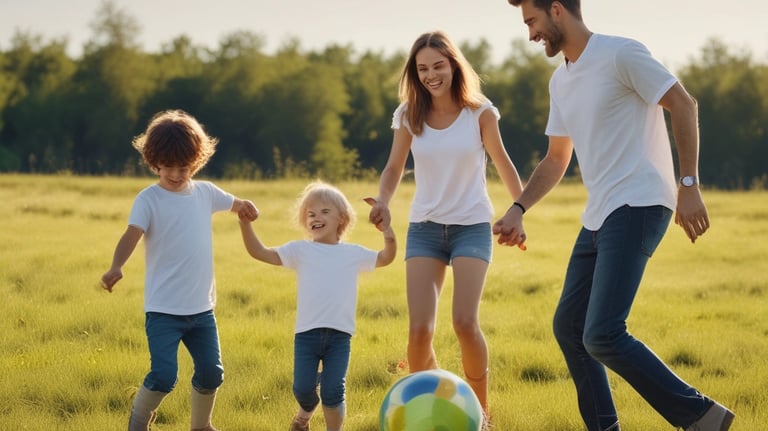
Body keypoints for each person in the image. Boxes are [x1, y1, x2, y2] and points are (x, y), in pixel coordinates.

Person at [495, 1, 734, 430]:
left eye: (531, 21)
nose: (530, 33)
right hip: (599, 214)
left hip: (640, 202)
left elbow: (684, 104)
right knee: (570, 327)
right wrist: (518, 208)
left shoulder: (620, 53)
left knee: (602, 333)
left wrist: (689, 185)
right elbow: (555, 159)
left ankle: (702, 418)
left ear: (556, 10)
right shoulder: (560, 81)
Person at [367, 30, 525, 425]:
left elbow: (502, 163)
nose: (431, 75)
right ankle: (422, 411)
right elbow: (393, 167)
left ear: (454, 65)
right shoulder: (409, 114)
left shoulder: (480, 113)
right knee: (420, 331)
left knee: (464, 322)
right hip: (424, 227)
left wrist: (518, 210)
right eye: (422, 69)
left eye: (438, 65)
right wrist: (384, 200)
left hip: (471, 226)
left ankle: (481, 415)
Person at [101, 109, 259, 431]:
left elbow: (235, 203)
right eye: (167, 166)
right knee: (163, 375)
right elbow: (132, 234)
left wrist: (245, 206)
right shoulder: (149, 199)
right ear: (153, 162)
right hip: (163, 310)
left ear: (196, 162)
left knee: (212, 372)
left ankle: (201, 425)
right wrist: (116, 266)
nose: (175, 174)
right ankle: (138, 421)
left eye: (183, 167)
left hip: (201, 310)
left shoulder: (206, 193)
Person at [237, 181, 397, 431]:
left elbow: (386, 257)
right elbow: (260, 252)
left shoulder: (352, 254)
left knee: (333, 391)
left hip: (340, 336)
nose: (316, 218)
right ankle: (304, 415)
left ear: (341, 219)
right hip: (307, 335)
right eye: (311, 214)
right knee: (302, 388)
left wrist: (386, 230)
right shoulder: (300, 251)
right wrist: (244, 224)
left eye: (324, 212)